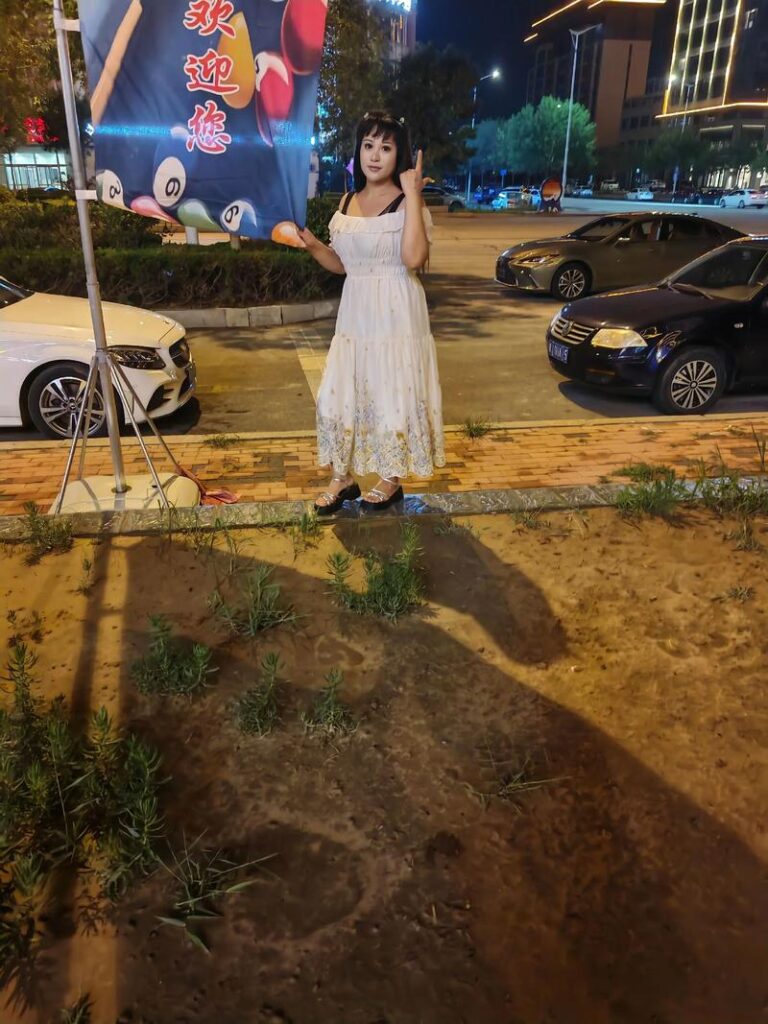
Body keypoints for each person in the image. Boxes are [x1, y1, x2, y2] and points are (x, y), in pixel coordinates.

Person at [297, 110, 445, 513]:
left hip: (397, 314)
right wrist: (313, 245)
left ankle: (390, 478)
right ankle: (342, 477)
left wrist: (413, 195)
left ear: (399, 155)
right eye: (368, 145)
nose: (375, 155)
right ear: (358, 151)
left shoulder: (405, 200)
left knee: (390, 394)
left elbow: (413, 257)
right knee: (338, 394)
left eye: (386, 147)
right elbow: (345, 264)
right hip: (356, 313)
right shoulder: (348, 200)